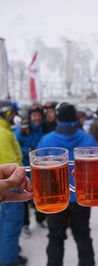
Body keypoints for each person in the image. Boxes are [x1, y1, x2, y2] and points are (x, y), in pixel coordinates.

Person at [38, 102, 96, 266]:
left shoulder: (46, 140)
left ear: (57, 118)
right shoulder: (88, 139)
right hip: (81, 197)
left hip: (56, 197)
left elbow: (40, 173)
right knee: (83, 235)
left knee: (55, 237)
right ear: (76, 118)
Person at [0, 101, 28, 266]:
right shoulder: (2, 133)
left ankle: (6, 250)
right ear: (5, 113)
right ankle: (8, 259)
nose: (15, 117)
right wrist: (17, 181)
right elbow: (9, 161)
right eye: (12, 113)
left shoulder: (4, 130)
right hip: (11, 183)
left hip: (7, 182)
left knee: (5, 219)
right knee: (13, 219)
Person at [15, 104, 45, 235]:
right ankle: (25, 224)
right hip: (26, 167)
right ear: (30, 116)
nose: (37, 118)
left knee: (39, 195)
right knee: (24, 197)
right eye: (34, 115)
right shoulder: (23, 129)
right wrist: (28, 151)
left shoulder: (43, 128)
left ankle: (40, 218)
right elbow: (15, 144)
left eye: (39, 115)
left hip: (40, 169)